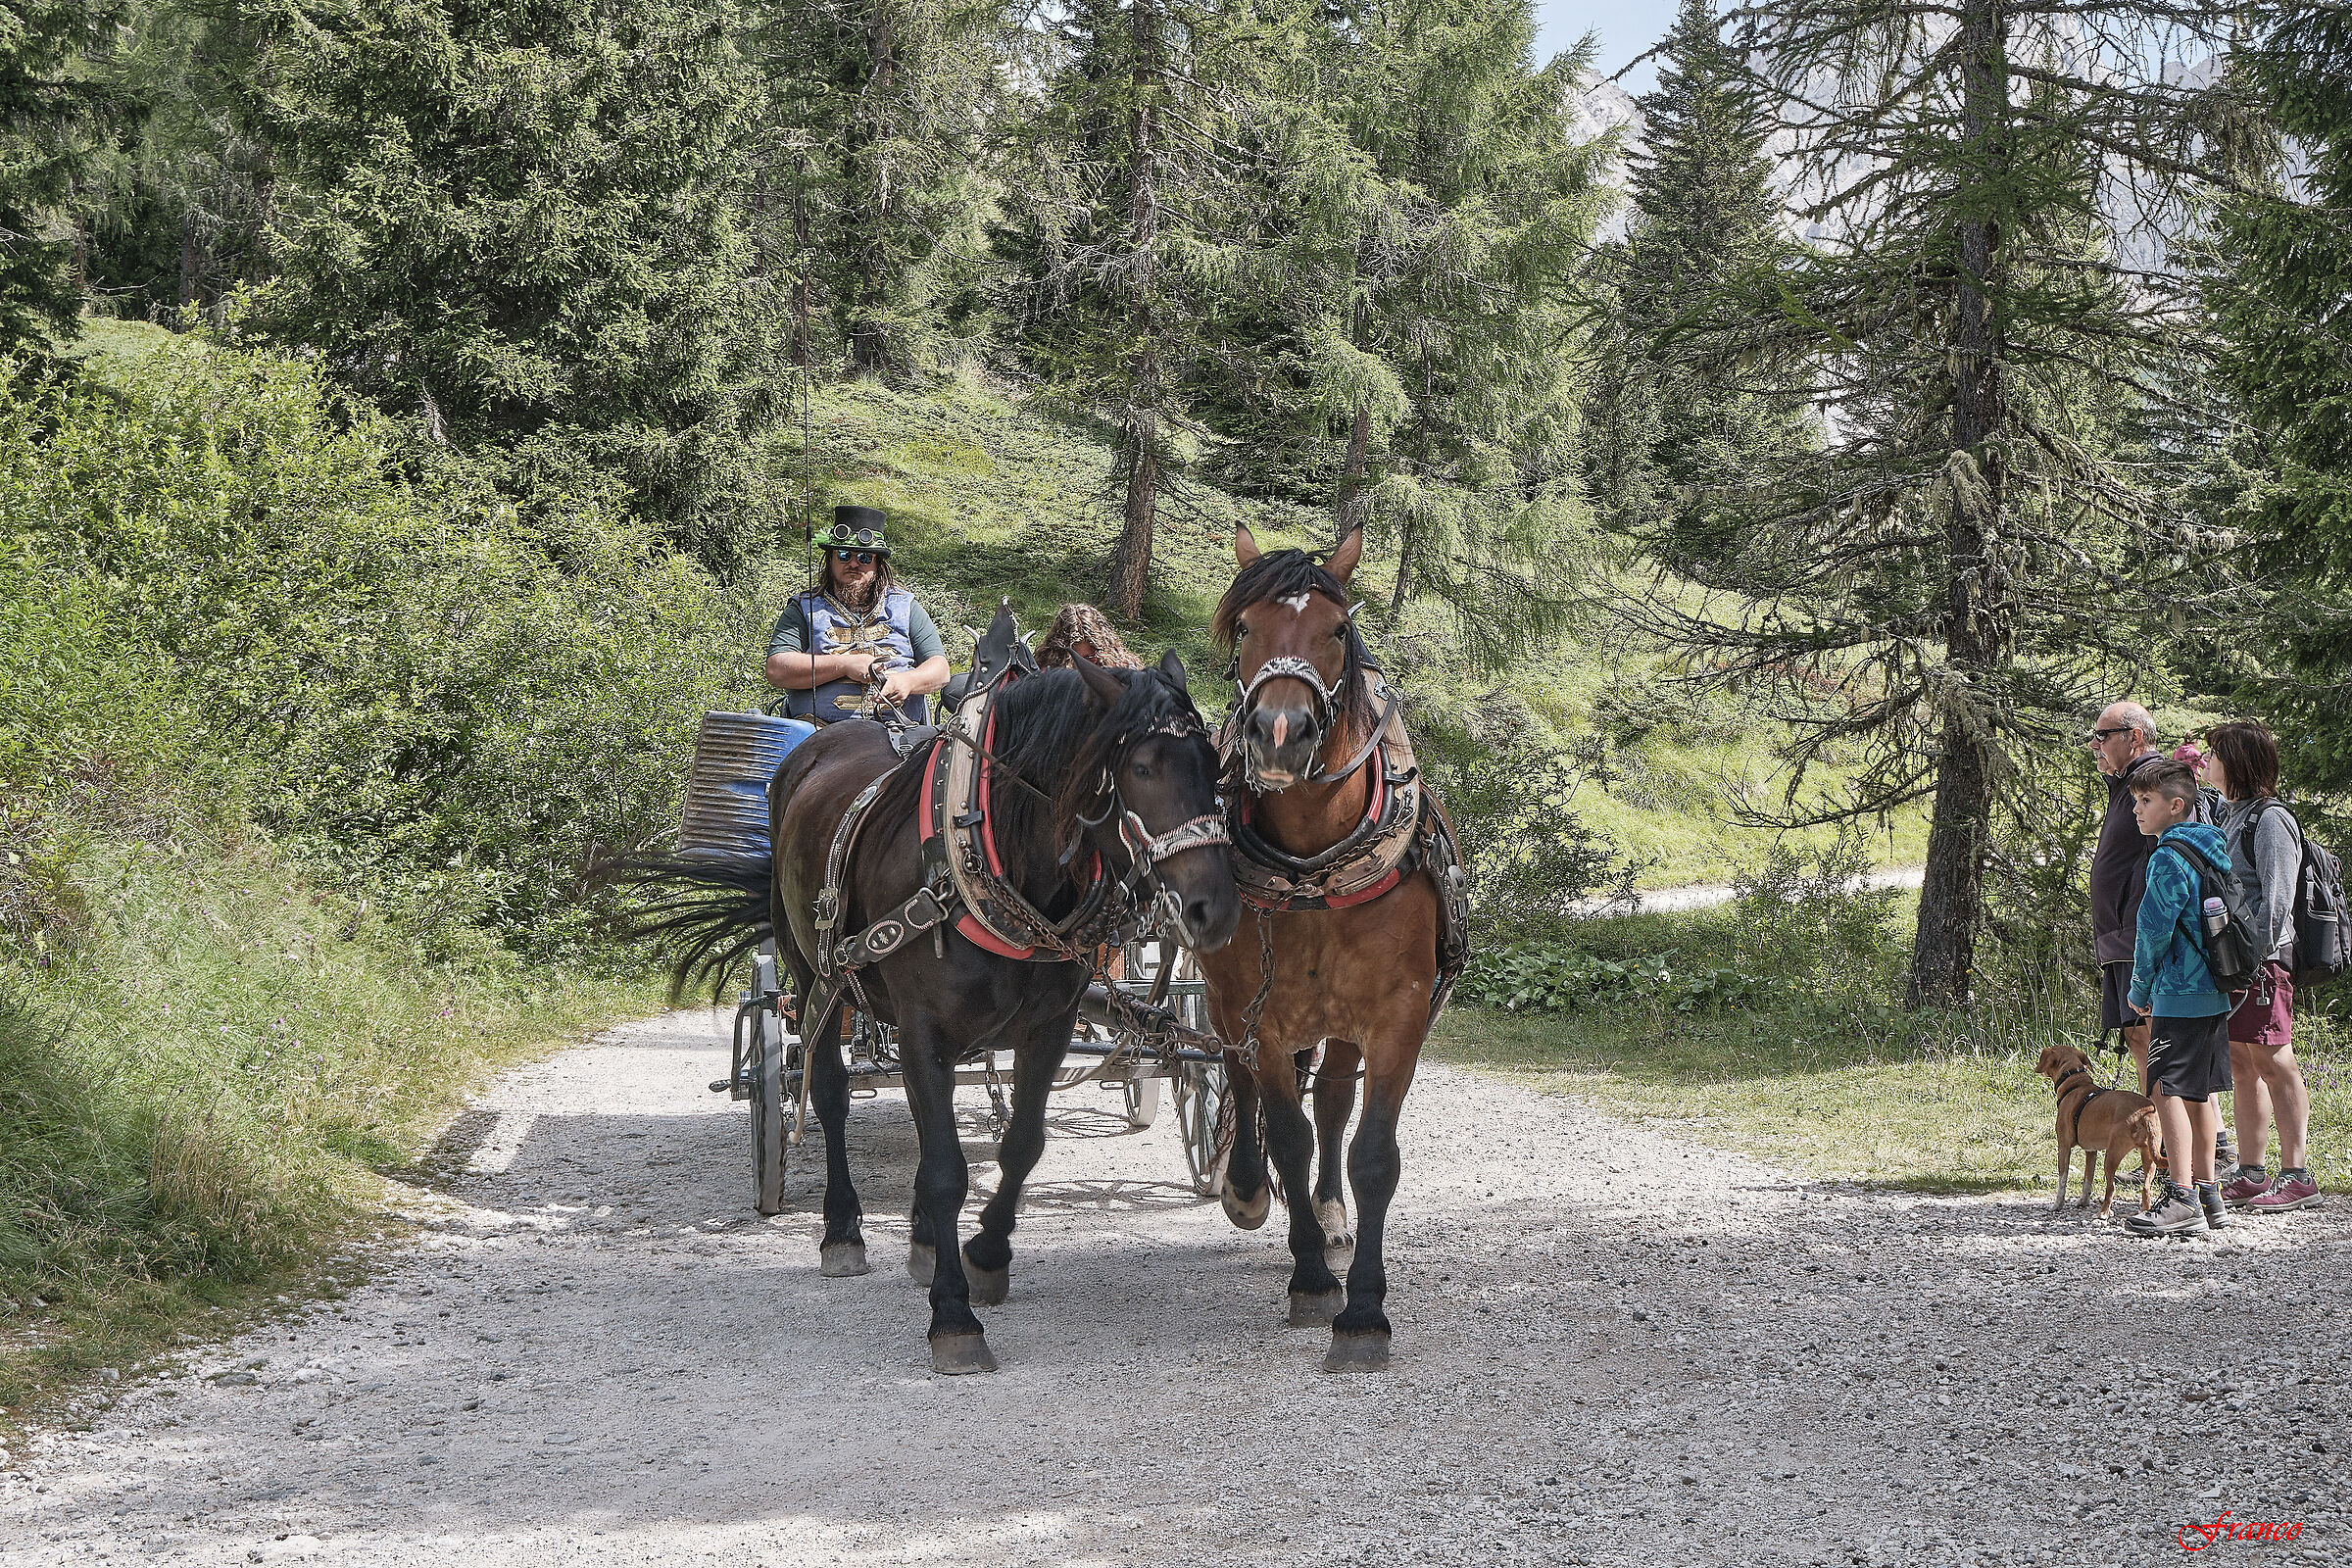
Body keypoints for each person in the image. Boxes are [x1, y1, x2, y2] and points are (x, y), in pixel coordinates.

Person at [2204, 722, 2322, 1213]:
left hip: (2263, 963)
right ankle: (2252, 1172)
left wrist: (2254, 959)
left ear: (2237, 762)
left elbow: (2277, 898)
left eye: (2214, 754)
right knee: (2240, 1061)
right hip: (2233, 964)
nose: (2207, 761)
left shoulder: (2271, 819)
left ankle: (2297, 1174)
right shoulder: (2229, 813)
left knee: (2274, 1059)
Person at [2122, 760, 2236, 1237]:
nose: (2136, 810)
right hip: (2213, 991)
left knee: (2167, 1089)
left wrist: (2139, 988)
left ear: (2175, 806)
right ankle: (2210, 1195)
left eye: (2145, 801)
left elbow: (2153, 930)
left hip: (2177, 992)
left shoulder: (2167, 857)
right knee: (2199, 1093)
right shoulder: (2211, 849)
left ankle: (2181, 1196)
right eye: (2134, 800)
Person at [764, 506, 951, 724]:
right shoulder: (803, 608)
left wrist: (908, 681)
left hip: (900, 735)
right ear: (831, 559)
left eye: (864, 557)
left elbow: (940, 669)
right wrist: (844, 665)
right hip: (819, 733)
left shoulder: (906, 606)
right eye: (844, 555)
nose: (853, 564)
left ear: (877, 564)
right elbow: (777, 668)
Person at [2089, 702, 2166, 1086]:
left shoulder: (2154, 781)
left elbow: (2167, 859)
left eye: (2102, 735)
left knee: (2156, 1040)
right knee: (2139, 1038)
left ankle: (2176, 1122)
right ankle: (2162, 1119)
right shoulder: (2129, 784)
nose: (2094, 744)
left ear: (2134, 737)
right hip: (2121, 939)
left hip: (2139, 937)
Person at [1036, 603, 1142, 671]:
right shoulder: (1047, 674)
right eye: (1074, 659)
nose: (1083, 665)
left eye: (1090, 657)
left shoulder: (1123, 669)